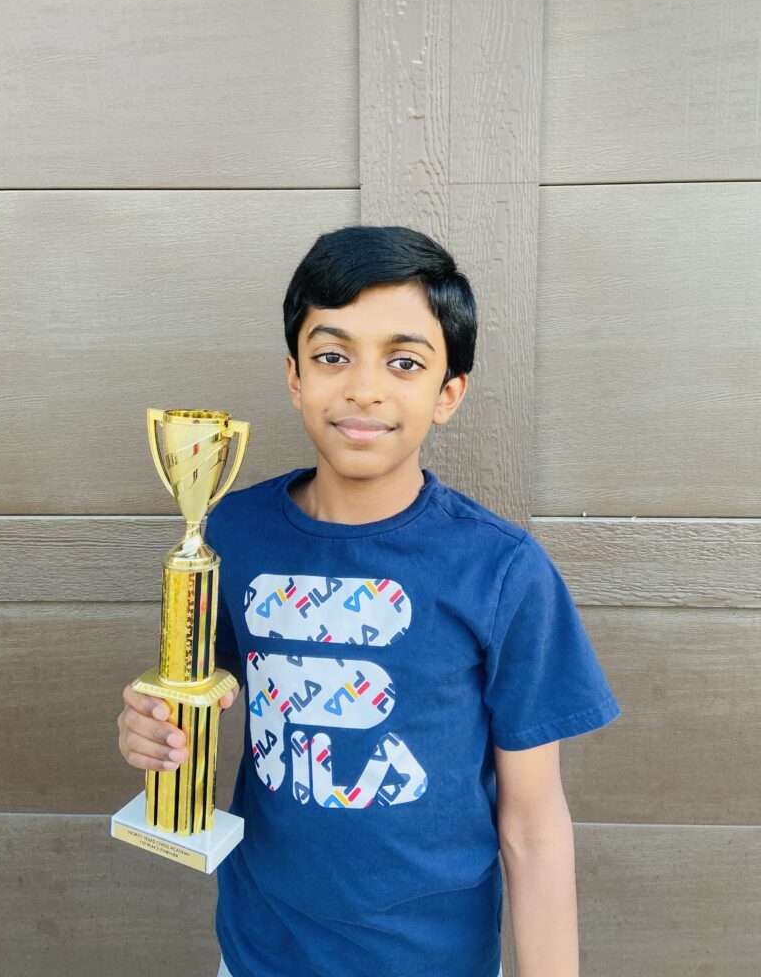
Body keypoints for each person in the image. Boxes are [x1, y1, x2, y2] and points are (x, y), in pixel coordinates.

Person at [117, 225, 622, 977]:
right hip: (259, 953)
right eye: (332, 355)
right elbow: (198, 692)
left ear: (449, 393)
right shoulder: (231, 530)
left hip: (432, 961)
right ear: (294, 376)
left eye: (405, 361)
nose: (363, 387)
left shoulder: (502, 571)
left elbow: (535, 824)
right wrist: (150, 728)